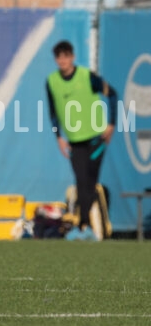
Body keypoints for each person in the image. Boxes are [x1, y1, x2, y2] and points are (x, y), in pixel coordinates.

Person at [45, 41, 117, 241]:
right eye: (59, 57)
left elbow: (112, 95)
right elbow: (53, 111)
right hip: (75, 141)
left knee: (88, 183)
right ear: (56, 59)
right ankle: (85, 227)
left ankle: (84, 226)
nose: (63, 61)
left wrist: (111, 124)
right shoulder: (52, 81)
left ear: (72, 57)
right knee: (81, 182)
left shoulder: (87, 77)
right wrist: (58, 137)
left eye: (66, 56)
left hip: (96, 138)